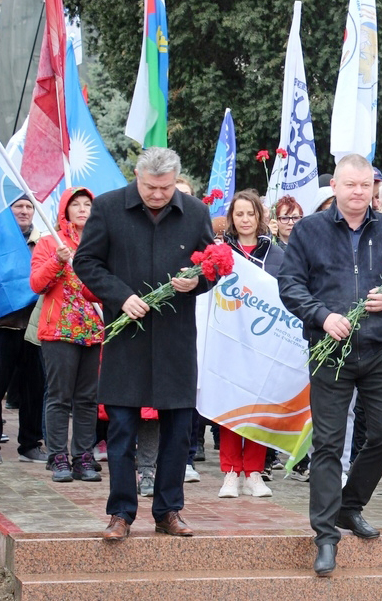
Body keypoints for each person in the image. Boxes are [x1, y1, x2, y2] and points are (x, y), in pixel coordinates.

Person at [279, 154, 382, 577]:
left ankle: (350, 505)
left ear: (373, 188)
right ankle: (325, 536)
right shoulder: (309, 230)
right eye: (350, 184)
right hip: (330, 350)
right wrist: (322, 315)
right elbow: (290, 285)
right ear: (334, 187)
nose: (358, 192)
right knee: (327, 443)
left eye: (365, 185)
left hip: (378, 347)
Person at [74, 147, 216, 542]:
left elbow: (211, 266)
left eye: (166, 188)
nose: (158, 195)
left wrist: (199, 281)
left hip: (175, 338)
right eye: (151, 187)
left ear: (176, 180)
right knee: (120, 429)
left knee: (177, 429)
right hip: (126, 336)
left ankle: (168, 511)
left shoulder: (196, 212)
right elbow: (86, 263)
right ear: (137, 175)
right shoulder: (107, 208)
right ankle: (120, 512)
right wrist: (120, 296)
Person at [29, 187, 103, 484]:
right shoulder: (50, 242)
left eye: (88, 204)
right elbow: (36, 283)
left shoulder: (99, 243)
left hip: (94, 330)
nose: (83, 209)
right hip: (59, 330)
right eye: (76, 205)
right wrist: (58, 260)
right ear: (65, 210)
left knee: (87, 398)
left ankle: (83, 456)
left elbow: (105, 286)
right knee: (59, 397)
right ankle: (57, 455)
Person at [216, 189, 283, 498]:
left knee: (258, 407)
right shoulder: (220, 252)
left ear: (260, 217)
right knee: (232, 406)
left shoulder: (277, 254)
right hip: (229, 340)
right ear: (232, 218)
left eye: (250, 213)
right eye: (239, 214)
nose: (245, 219)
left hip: (263, 340)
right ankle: (230, 472)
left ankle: (254, 472)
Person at [0, 196, 46, 466]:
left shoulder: (43, 243)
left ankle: (30, 445)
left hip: (33, 329)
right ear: (8, 212)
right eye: (19, 207)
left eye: (29, 207)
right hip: (0, 327)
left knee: (33, 389)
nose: (25, 211)